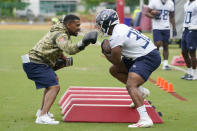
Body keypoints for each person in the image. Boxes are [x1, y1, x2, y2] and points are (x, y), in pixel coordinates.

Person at [21, 14, 98, 124]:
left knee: (52, 82)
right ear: (68, 25)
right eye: (77, 25)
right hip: (35, 63)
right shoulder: (60, 34)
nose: (79, 28)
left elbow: (55, 48)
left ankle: (42, 112)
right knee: (54, 87)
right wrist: (84, 42)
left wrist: (60, 57)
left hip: (34, 61)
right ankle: (42, 117)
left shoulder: (61, 31)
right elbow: (70, 49)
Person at [96, 9, 161, 128]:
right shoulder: (120, 27)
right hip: (139, 55)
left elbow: (116, 60)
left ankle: (145, 119)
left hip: (147, 57)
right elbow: (117, 65)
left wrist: (104, 51)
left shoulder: (117, 35)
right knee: (114, 70)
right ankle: (140, 91)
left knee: (131, 85)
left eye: (101, 24)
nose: (100, 27)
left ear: (107, 23)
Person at [146, 0, 177, 70]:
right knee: (158, 43)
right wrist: (153, 16)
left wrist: (174, 27)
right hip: (156, 27)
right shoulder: (154, 2)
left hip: (166, 27)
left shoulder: (170, 3)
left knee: (166, 45)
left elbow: (172, 16)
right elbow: (146, 13)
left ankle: (165, 64)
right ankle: (153, 61)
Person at [181, 0, 197, 80]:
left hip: (193, 29)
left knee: (192, 52)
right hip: (186, 28)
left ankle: (195, 74)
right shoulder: (187, 3)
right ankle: (189, 72)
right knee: (184, 52)